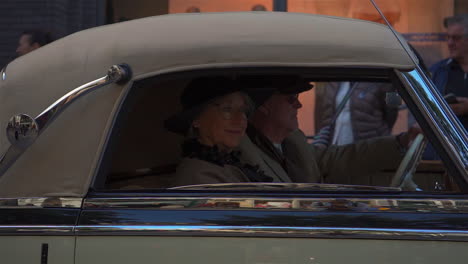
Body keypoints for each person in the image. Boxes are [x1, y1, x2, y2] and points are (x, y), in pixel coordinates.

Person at [239, 75, 419, 185]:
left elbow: (334, 158)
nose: (299, 104)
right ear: (263, 105)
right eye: (291, 99)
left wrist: (400, 142)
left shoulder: (293, 140)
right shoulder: (244, 151)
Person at [164, 76, 271, 187]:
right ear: (196, 119)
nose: (240, 120)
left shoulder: (228, 164)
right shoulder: (200, 175)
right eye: (227, 109)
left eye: (243, 110)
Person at [315, 81, 397, 145]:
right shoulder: (330, 79)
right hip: (336, 146)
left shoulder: (385, 77)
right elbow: (321, 114)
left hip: (369, 148)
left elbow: (394, 108)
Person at [430, 14, 468, 130]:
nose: (450, 43)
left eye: (456, 38)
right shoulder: (438, 71)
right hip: (447, 145)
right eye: (448, 37)